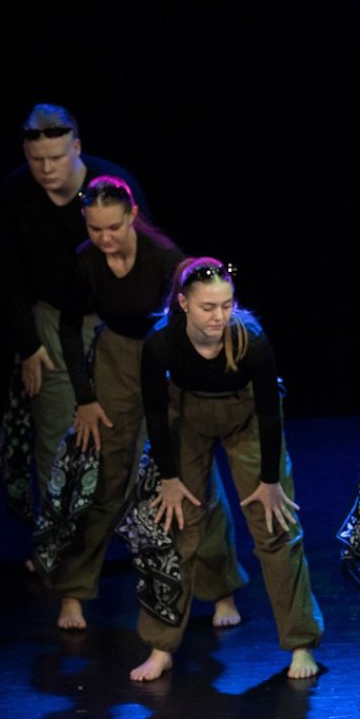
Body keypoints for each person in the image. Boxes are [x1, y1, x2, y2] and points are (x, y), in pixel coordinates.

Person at [50, 177, 244, 631]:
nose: (104, 238)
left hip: (167, 353)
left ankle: (221, 590)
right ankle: (73, 591)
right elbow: (68, 328)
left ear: (132, 215)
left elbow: (199, 312)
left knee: (193, 473)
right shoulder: (85, 261)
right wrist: (85, 399)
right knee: (106, 475)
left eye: (113, 228)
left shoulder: (163, 257)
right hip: (116, 359)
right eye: (95, 229)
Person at [135, 258, 324, 681]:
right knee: (178, 525)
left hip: (248, 418)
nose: (219, 316)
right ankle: (161, 645)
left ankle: (301, 643)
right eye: (208, 307)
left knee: (275, 525)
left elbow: (269, 412)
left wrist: (270, 480)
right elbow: (155, 413)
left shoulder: (250, 339)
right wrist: (169, 478)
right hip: (189, 417)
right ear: (183, 303)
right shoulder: (161, 342)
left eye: (226, 305)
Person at [0, 104, 149, 527]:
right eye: (36, 159)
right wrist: (29, 344)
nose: (46, 168)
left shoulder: (113, 185)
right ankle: (58, 540)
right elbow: (8, 273)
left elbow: (147, 260)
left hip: (113, 323)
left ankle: (144, 534)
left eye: (56, 157)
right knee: (55, 434)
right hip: (53, 320)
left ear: (76, 148)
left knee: (134, 431)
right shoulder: (16, 192)